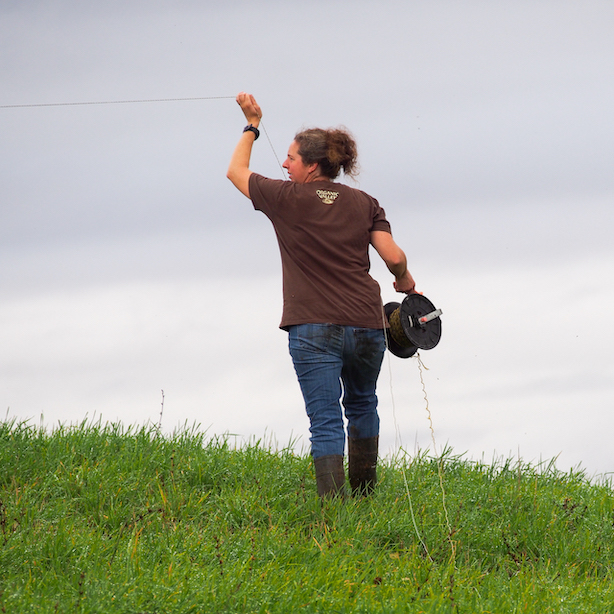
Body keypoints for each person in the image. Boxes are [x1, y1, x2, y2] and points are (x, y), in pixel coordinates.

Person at [227, 92, 417, 497]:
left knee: (326, 419)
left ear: (311, 166)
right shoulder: (366, 203)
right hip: (368, 325)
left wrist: (252, 125)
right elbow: (392, 256)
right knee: (364, 404)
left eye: (291, 159)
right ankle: (365, 498)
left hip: (314, 328)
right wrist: (405, 280)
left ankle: (335, 513)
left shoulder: (286, 198)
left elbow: (235, 171)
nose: (284, 163)